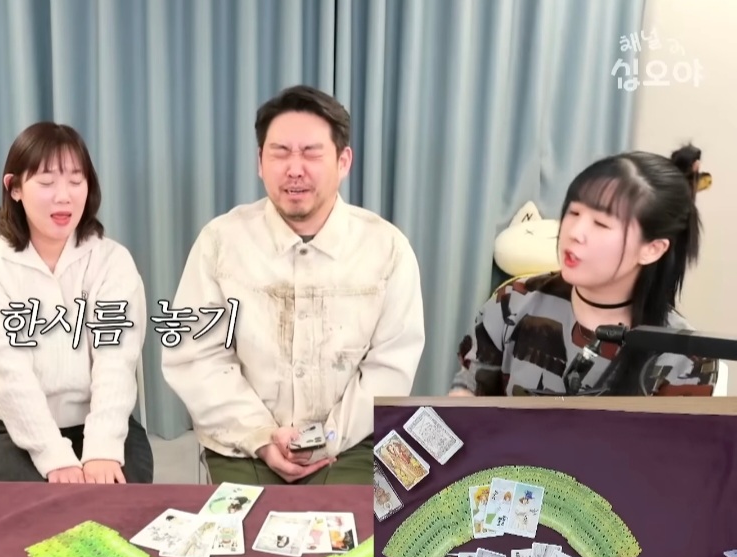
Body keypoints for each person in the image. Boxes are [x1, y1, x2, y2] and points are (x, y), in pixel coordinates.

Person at [161, 85, 426, 486]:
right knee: (251, 526)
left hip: (352, 444)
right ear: (260, 162)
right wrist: (261, 437)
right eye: (280, 153)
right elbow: (196, 356)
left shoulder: (387, 249)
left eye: (311, 154)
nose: (294, 169)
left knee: (348, 525)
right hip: (245, 443)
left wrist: (326, 439)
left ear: (343, 161)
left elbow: (390, 366)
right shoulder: (220, 242)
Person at [0, 122, 154, 484]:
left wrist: (101, 450)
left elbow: (116, 363)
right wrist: (54, 457)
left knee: (119, 506)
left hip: (101, 423)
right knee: (40, 511)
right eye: (47, 182)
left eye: (76, 181)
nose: (64, 197)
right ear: (14, 188)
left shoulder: (112, 260)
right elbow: (8, 375)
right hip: (8, 428)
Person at [450, 145, 717, 397]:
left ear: (652, 249)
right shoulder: (513, 301)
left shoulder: (684, 358)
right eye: (574, 213)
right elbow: (468, 392)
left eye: (601, 224)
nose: (575, 232)